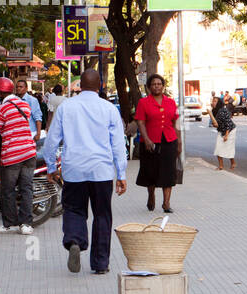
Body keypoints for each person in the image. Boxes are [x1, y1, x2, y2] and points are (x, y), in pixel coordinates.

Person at [41, 68, 127, 275]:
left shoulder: (66, 107)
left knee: (74, 210)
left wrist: (51, 167)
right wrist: (121, 174)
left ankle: (74, 240)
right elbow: (118, 145)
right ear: (100, 85)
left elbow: (51, 140)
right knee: (102, 215)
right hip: (102, 171)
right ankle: (99, 263)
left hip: (74, 170)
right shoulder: (109, 109)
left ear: (80, 86)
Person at [0, 76, 37, 235]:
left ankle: (10, 224)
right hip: (29, 153)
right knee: (26, 189)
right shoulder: (25, 105)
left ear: (1, 92)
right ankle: (26, 225)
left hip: (12, 155)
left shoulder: (2, 109)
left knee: (8, 190)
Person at [135, 73, 181, 213]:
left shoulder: (171, 102)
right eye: (154, 84)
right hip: (150, 142)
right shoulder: (144, 103)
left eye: (159, 84)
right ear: (149, 87)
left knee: (169, 172)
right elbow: (140, 122)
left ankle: (166, 203)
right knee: (151, 172)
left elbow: (176, 122)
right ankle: (151, 196)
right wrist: (147, 139)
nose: (157, 86)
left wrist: (179, 141)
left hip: (169, 140)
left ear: (163, 86)